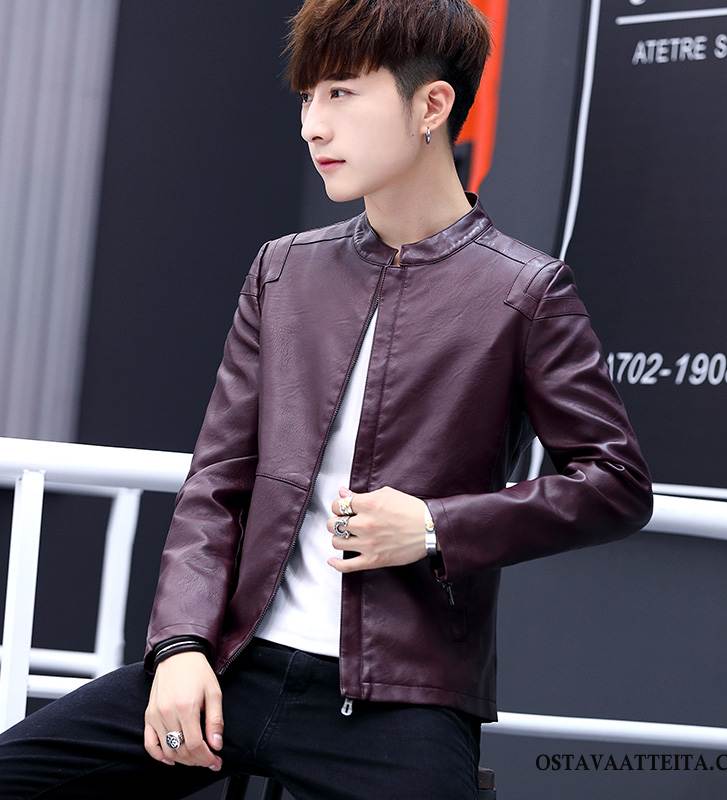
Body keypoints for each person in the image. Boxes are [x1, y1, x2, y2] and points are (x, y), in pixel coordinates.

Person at [0, 1, 654, 797]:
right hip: (234, 666)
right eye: (308, 98)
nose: (313, 126)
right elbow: (218, 482)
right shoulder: (283, 271)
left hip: (398, 701)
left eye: (341, 93)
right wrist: (179, 647)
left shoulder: (525, 292)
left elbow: (615, 483)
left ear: (432, 106)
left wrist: (435, 527)